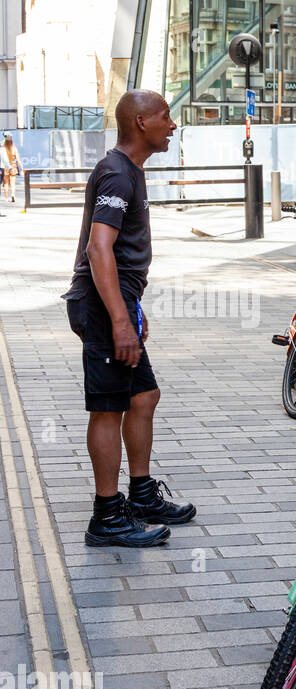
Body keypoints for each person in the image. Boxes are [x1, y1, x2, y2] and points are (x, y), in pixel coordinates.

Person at [62, 90, 195, 547]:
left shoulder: (127, 170)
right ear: (141, 122)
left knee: (144, 397)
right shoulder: (118, 173)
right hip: (101, 305)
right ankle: (106, 517)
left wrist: (132, 310)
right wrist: (119, 319)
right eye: (165, 116)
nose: (172, 124)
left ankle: (140, 495)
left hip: (118, 300)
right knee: (108, 407)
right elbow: (98, 248)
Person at [2, 133, 21, 203]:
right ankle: (13, 194)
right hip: (13, 166)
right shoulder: (14, 148)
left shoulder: (2, 148)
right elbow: (18, 159)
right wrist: (22, 167)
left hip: (5, 167)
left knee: (6, 183)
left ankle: (6, 198)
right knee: (13, 183)